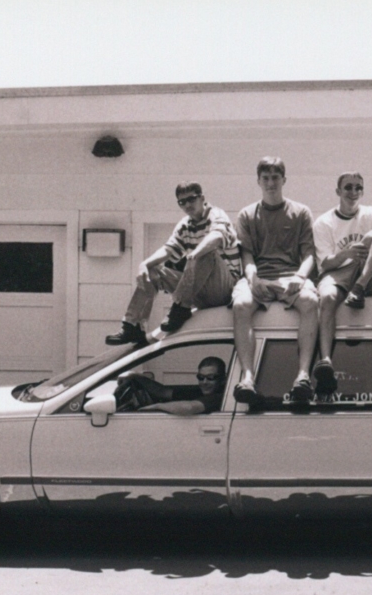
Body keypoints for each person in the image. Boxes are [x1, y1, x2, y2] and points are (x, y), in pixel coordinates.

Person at [105, 182, 241, 346]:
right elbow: (169, 249)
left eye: (191, 199)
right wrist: (144, 264)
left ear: (202, 198)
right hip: (197, 290)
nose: (187, 205)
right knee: (153, 271)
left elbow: (217, 237)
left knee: (206, 253)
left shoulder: (216, 215)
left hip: (224, 289)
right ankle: (133, 325)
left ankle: (180, 308)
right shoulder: (185, 224)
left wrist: (194, 255)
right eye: (182, 202)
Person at [232, 157, 319, 404]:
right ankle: (248, 377)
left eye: (276, 177)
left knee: (311, 302)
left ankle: (302, 375)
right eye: (266, 178)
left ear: (284, 180)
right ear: (258, 181)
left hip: (291, 276)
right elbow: (246, 254)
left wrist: (301, 276)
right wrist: (253, 278)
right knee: (240, 306)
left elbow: (309, 254)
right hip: (259, 276)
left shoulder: (300, 212)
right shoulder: (247, 214)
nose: (271, 183)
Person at [311, 171, 372, 394]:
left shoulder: (370, 213)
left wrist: (371, 235)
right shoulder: (324, 222)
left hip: (367, 273)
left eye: (358, 188)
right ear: (338, 191)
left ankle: (359, 288)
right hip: (339, 271)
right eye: (348, 187)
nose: (353, 192)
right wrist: (347, 253)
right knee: (327, 297)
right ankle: (325, 360)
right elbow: (326, 264)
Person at [115, 356, 227, 415]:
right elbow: (163, 391)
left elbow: (190, 407)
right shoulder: (200, 391)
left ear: (222, 379)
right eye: (201, 377)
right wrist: (135, 376)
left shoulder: (221, 397)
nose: (205, 382)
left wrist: (156, 407)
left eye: (211, 378)